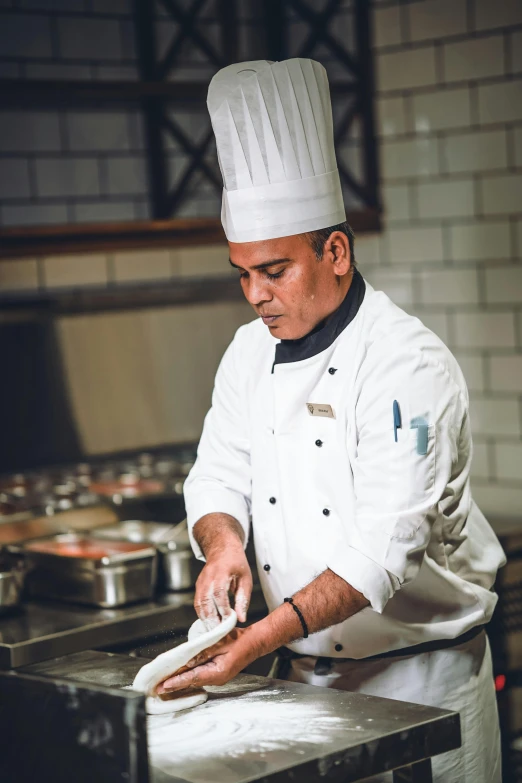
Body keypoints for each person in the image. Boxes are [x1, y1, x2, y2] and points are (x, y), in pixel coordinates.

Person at [156, 58, 505, 782]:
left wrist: (253, 642)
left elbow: (382, 548)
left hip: (420, 690)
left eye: (274, 270)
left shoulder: (406, 364)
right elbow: (217, 475)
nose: (254, 294)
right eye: (242, 273)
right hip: (299, 690)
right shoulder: (248, 354)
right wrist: (222, 545)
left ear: (336, 252)